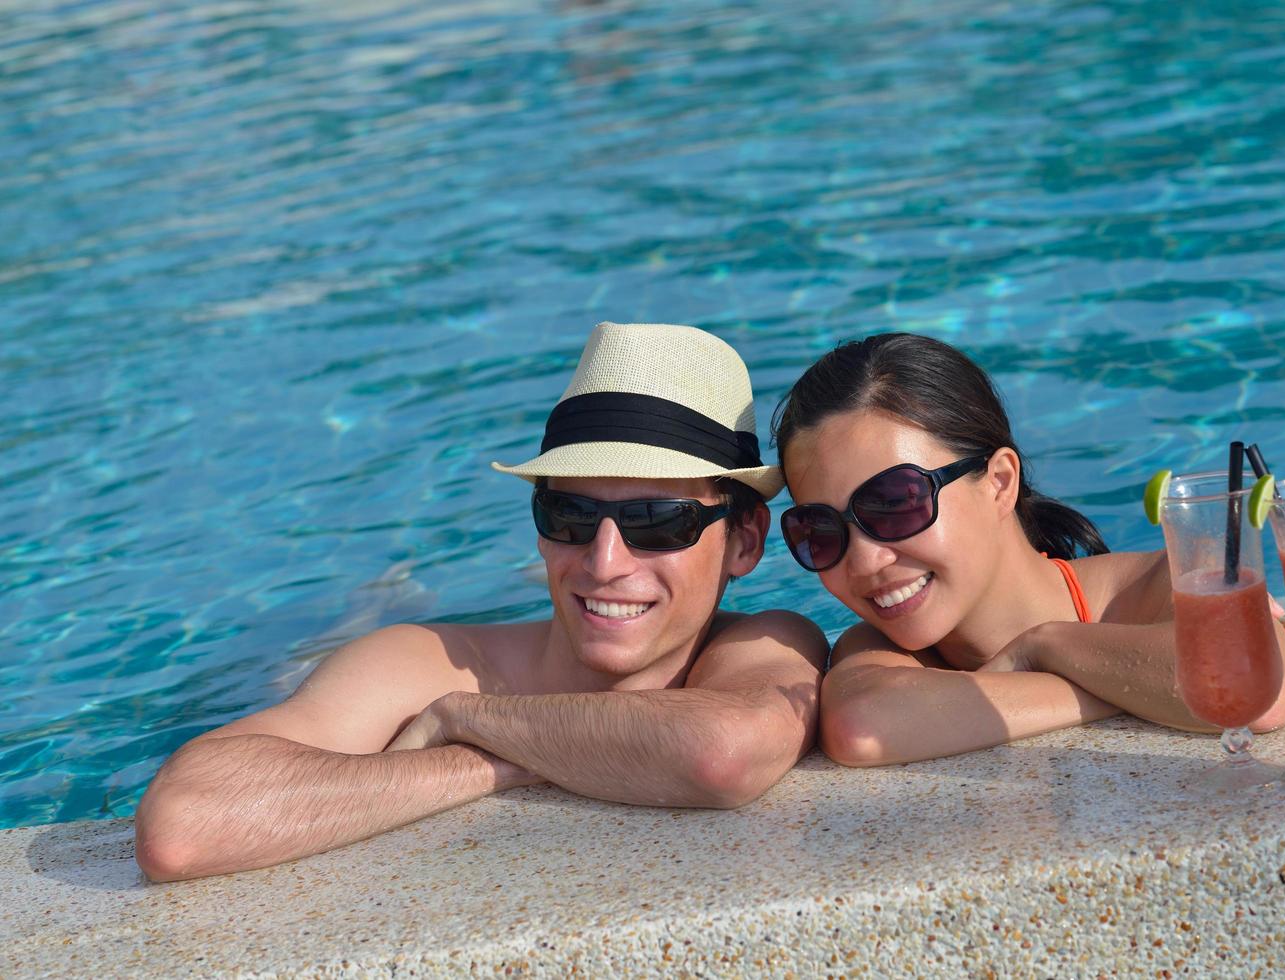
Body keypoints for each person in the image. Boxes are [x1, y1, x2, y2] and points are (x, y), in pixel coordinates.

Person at [134, 322, 827, 881]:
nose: (604, 561)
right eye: (568, 515)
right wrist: (492, 758)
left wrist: (465, 719)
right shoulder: (426, 661)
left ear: (744, 540)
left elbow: (720, 753)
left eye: (658, 522)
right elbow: (181, 826)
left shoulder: (763, 643)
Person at [771, 332, 1285, 766]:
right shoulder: (881, 651)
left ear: (1000, 482)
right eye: (818, 530)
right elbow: (863, 726)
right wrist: (1131, 685)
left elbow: (1257, 691)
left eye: (894, 503)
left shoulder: (1167, 582)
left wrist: (1044, 646)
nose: (864, 561)